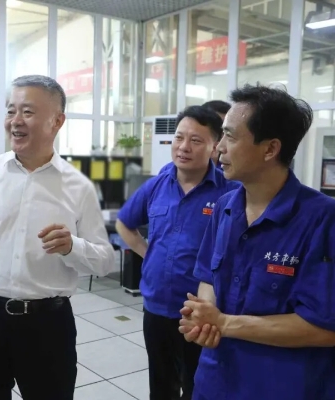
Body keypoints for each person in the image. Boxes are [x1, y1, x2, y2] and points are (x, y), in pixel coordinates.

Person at [0, 75, 115, 400]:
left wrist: (72, 246)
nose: (15, 121)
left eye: (27, 112)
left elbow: (104, 261)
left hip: (49, 326)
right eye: (10, 110)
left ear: (57, 121)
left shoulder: (78, 187)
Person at [180, 84, 335, 400]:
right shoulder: (224, 207)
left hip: (281, 387)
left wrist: (224, 323)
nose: (218, 148)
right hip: (215, 381)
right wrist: (205, 318)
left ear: (270, 149)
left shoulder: (322, 219)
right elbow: (208, 276)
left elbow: (325, 329)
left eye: (230, 136)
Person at [115, 105, 239, 400]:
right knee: (161, 384)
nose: (183, 147)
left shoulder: (231, 191)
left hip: (201, 311)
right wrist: (148, 253)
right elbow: (124, 223)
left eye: (195, 140)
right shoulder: (157, 185)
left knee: (198, 386)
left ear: (214, 147)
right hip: (156, 305)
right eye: (179, 137)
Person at [158, 100, 231, 175]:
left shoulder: (231, 172)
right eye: (179, 137)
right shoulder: (165, 173)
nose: (184, 147)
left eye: (226, 130)